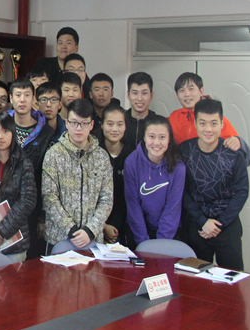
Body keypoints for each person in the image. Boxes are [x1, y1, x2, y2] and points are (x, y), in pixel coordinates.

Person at [181, 99, 248, 270]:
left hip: (227, 225)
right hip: (197, 225)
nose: (208, 129)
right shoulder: (184, 151)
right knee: (194, 279)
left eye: (214, 123)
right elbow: (182, 191)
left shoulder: (234, 154)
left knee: (233, 278)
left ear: (222, 123)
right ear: (195, 123)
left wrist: (220, 224)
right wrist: (203, 221)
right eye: (203, 123)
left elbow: (242, 192)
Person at [42, 99, 113, 249]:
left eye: (84, 123)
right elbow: (49, 198)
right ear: (67, 123)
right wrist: (71, 229)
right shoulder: (53, 155)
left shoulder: (101, 157)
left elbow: (106, 199)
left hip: (92, 239)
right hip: (59, 238)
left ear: (92, 125)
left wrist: (90, 230)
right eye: (74, 123)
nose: (78, 128)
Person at [0, 113, 36, 262]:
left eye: (5, 131)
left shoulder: (23, 162)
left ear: (13, 133)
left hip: (14, 242)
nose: (0, 136)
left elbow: (28, 200)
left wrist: (2, 230)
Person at [8, 78, 54, 258]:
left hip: (33, 208)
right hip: (5, 206)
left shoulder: (45, 132)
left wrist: (43, 216)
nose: (22, 100)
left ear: (33, 99)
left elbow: (47, 178)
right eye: (18, 95)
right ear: (11, 98)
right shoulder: (1, 127)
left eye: (27, 95)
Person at [123, 116, 185, 248]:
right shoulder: (131, 162)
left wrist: (160, 245)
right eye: (151, 136)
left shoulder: (178, 167)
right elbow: (133, 207)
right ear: (144, 137)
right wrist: (143, 244)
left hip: (168, 234)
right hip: (139, 232)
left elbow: (172, 208)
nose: (157, 143)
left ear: (169, 139)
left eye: (162, 137)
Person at [168, 73, 240, 147]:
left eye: (191, 89)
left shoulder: (214, 116)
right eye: (182, 90)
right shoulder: (174, 117)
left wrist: (237, 140)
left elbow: (234, 141)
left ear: (201, 91)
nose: (187, 94)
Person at [99, 106, 135, 247]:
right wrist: (103, 225)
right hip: (96, 223)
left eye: (120, 124)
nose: (115, 129)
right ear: (101, 125)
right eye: (110, 124)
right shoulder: (94, 152)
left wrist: (114, 225)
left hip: (123, 224)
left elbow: (129, 197)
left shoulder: (132, 155)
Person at [123, 72, 157, 148]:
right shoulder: (121, 120)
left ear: (151, 95)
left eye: (144, 93)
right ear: (128, 95)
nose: (139, 98)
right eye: (135, 93)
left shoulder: (158, 123)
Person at [88, 73, 120, 137]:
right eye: (97, 90)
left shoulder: (119, 115)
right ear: (90, 94)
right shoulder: (86, 116)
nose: (101, 94)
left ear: (112, 94)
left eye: (105, 89)